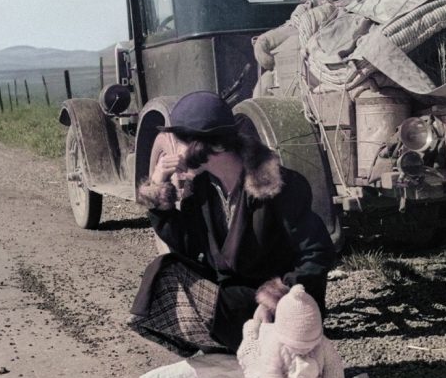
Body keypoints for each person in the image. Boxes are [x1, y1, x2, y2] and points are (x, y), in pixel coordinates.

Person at [129, 91, 337, 354]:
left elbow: (317, 253)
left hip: (279, 303)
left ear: (211, 145)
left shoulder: (278, 186)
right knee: (165, 272)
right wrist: (158, 186)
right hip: (234, 297)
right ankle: (228, 350)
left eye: (181, 140)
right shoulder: (203, 186)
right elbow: (188, 245)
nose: (173, 150)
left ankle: (261, 347)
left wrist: (275, 300)